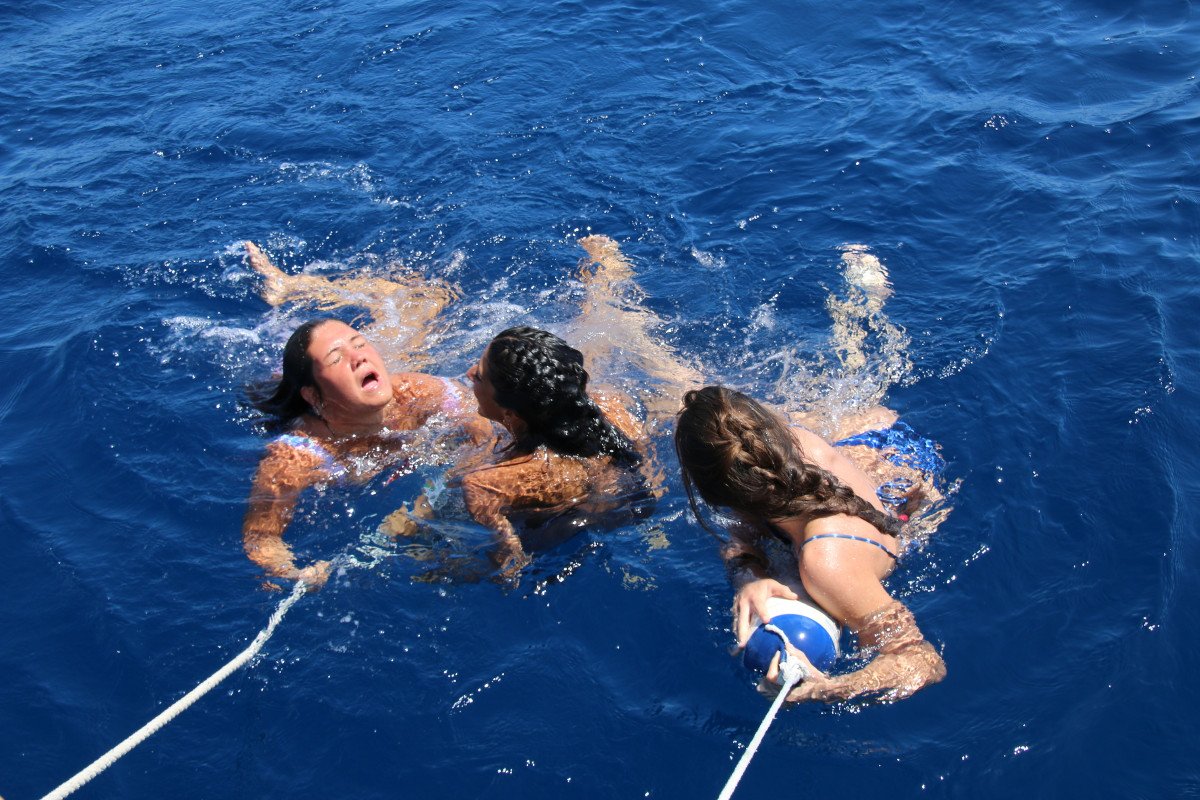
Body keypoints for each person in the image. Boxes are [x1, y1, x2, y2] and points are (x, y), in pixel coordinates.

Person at [240, 243, 494, 588]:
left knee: (424, 297)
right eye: (335, 358)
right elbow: (262, 540)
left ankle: (289, 285)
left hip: (361, 393)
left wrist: (455, 481)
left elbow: (487, 427)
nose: (358, 357)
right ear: (313, 396)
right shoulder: (297, 457)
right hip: (317, 403)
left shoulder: (414, 393)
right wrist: (293, 573)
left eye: (360, 344)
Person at [674, 385, 947, 703]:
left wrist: (825, 690)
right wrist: (751, 577)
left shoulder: (826, 566)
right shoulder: (778, 450)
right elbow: (743, 535)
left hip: (911, 489)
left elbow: (921, 662)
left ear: (715, 496)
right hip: (877, 441)